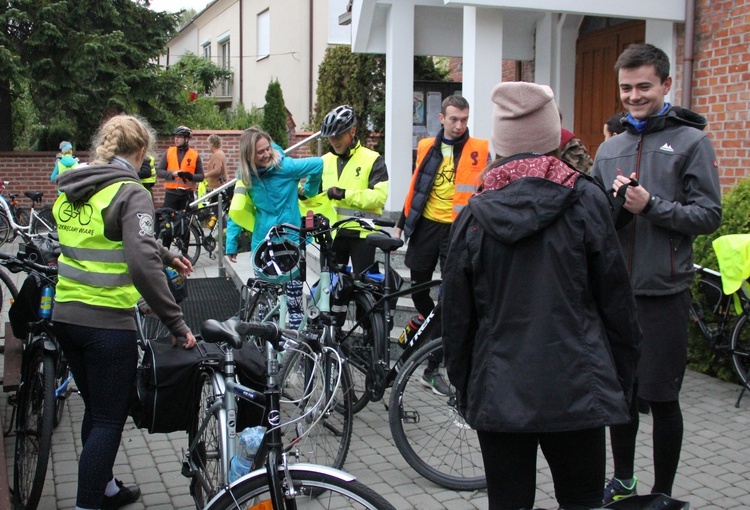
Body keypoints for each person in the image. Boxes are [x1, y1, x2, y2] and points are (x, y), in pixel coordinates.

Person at [442, 81, 641, 510]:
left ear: (502, 141)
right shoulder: (587, 200)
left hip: (499, 390)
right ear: (552, 136)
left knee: (509, 502)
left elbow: (456, 318)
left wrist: (465, 385)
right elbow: (617, 303)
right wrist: (620, 381)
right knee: (583, 500)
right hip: (577, 386)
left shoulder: (474, 215)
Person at [591, 43, 722, 503]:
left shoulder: (691, 142)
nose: (633, 96)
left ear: (666, 85)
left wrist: (652, 207)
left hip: (664, 293)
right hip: (615, 295)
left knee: (662, 399)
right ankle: (624, 483)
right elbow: (596, 224)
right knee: (620, 399)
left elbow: (708, 215)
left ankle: (662, 493)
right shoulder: (609, 148)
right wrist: (615, 211)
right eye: (626, 87)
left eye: (644, 86)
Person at [52, 114, 198, 510]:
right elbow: (140, 262)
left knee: (97, 408)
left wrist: (167, 253)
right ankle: (88, 503)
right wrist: (176, 321)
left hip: (66, 316)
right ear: (138, 152)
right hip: (106, 325)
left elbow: (116, 237)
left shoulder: (74, 188)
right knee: (108, 421)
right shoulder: (130, 191)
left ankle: (106, 488)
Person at [394, 95, 489, 396]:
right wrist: (401, 221)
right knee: (419, 288)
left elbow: (487, 190)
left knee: (452, 298)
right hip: (426, 227)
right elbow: (416, 188)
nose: (460, 125)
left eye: (464, 119)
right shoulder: (426, 146)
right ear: (441, 119)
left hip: (459, 231)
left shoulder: (481, 150)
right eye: (454, 119)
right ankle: (431, 322)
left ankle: (432, 367)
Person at [226, 128, 323, 329]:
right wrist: (231, 242)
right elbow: (238, 207)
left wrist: (309, 191)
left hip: (292, 244)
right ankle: (266, 353)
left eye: (267, 148)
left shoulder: (285, 166)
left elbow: (318, 164)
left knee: (295, 304)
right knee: (264, 305)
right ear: (248, 155)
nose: (266, 154)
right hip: (263, 245)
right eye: (259, 152)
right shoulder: (245, 175)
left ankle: (294, 354)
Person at [318, 105, 388, 275]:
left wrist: (345, 194)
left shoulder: (372, 159)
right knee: (331, 291)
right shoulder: (323, 161)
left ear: (352, 131)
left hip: (362, 234)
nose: (334, 141)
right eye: (330, 137)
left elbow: (379, 197)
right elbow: (316, 196)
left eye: (338, 135)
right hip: (332, 233)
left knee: (363, 290)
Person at [156, 125, 205, 210]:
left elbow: (201, 176)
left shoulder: (194, 155)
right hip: (171, 194)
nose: (176, 139)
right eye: (175, 136)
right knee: (168, 220)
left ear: (187, 139)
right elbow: (159, 171)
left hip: (187, 194)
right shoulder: (169, 152)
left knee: (187, 221)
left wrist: (191, 176)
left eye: (179, 137)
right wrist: (172, 174)